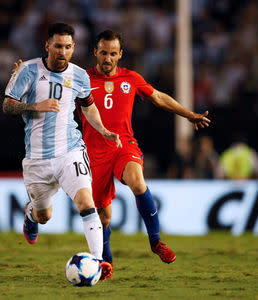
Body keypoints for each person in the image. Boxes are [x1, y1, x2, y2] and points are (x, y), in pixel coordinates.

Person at [79, 30, 211, 272]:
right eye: (103, 53)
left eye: (112, 54)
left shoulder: (131, 78)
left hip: (123, 145)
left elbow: (159, 98)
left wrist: (189, 114)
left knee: (137, 182)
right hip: (94, 153)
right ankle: (105, 265)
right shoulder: (82, 79)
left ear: (120, 55)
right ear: (95, 52)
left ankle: (156, 242)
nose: (107, 58)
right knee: (103, 217)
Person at [2, 23, 121, 281]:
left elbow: (88, 106)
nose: (62, 52)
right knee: (44, 215)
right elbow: (7, 105)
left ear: (73, 48)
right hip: (37, 158)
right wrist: (36, 105)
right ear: (47, 46)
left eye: (67, 47)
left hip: (70, 151)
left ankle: (99, 264)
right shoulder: (28, 70)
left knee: (86, 203)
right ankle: (31, 214)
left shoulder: (79, 75)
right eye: (57, 46)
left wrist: (102, 129)